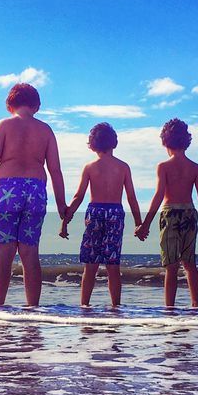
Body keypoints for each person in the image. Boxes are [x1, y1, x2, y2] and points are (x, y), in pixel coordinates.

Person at [0, 83, 67, 306]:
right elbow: (55, 170)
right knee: (30, 252)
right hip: (36, 190)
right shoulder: (46, 130)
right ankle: (32, 308)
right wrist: (62, 204)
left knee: (4, 253)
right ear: (37, 106)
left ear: (9, 104)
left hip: (7, 191)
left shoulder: (5, 125)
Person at [59, 122, 142, 307]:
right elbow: (131, 198)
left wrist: (65, 221)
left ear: (93, 144)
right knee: (113, 266)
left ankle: (84, 306)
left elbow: (78, 197)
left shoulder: (90, 167)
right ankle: (115, 308)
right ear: (114, 143)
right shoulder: (123, 167)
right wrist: (139, 223)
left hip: (95, 212)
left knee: (90, 266)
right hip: (115, 213)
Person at [135, 118, 198, 307]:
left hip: (170, 214)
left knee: (171, 266)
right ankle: (195, 305)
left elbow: (159, 195)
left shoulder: (163, 167)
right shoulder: (195, 167)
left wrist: (145, 224)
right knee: (189, 264)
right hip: (189, 214)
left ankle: (169, 308)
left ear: (164, 141)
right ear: (186, 140)